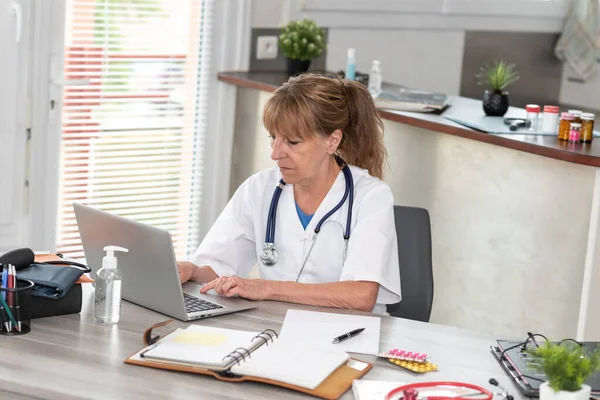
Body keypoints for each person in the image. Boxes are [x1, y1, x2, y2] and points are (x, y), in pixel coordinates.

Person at [178, 73, 401, 314]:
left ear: (332, 141)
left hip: (349, 337)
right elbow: (217, 268)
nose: (275, 153)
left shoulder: (371, 197)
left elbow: (361, 295)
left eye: (293, 142)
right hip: (277, 330)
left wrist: (267, 288)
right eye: (273, 138)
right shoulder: (259, 189)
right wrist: (193, 271)